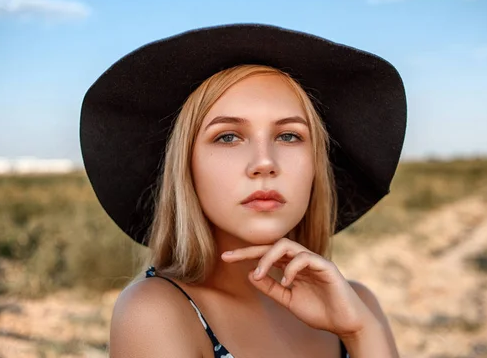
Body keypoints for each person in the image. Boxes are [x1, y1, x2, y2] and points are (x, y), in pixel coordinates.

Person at [80, 24, 406, 357]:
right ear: (186, 166)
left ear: (316, 165)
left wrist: (362, 333)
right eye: (228, 137)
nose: (264, 163)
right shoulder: (156, 313)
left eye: (289, 136)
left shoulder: (357, 306)